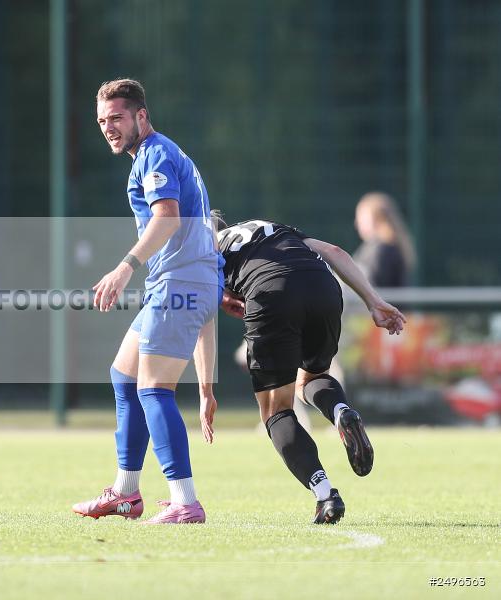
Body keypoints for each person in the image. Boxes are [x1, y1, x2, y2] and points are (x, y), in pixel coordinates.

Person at [71, 78, 223, 524]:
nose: (108, 128)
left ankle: (185, 502)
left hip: (179, 283)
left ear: (141, 115)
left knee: (153, 389)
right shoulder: (159, 154)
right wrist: (208, 386)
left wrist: (125, 267)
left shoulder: (155, 153)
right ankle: (126, 493)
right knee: (124, 375)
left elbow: (168, 217)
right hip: (180, 283)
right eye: (101, 121)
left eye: (116, 117)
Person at [205, 216, 406, 524]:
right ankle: (340, 410)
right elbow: (336, 252)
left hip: (271, 292)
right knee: (312, 376)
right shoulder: (268, 228)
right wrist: (374, 301)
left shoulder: (205, 247)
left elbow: (204, 297)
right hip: (322, 286)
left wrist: (205, 388)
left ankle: (326, 495)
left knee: (276, 411)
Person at [353, 192, 416, 288]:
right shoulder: (379, 247)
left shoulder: (383, 250)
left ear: (377, 218)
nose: (357, 223)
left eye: (361, 218)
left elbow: (374, 285)